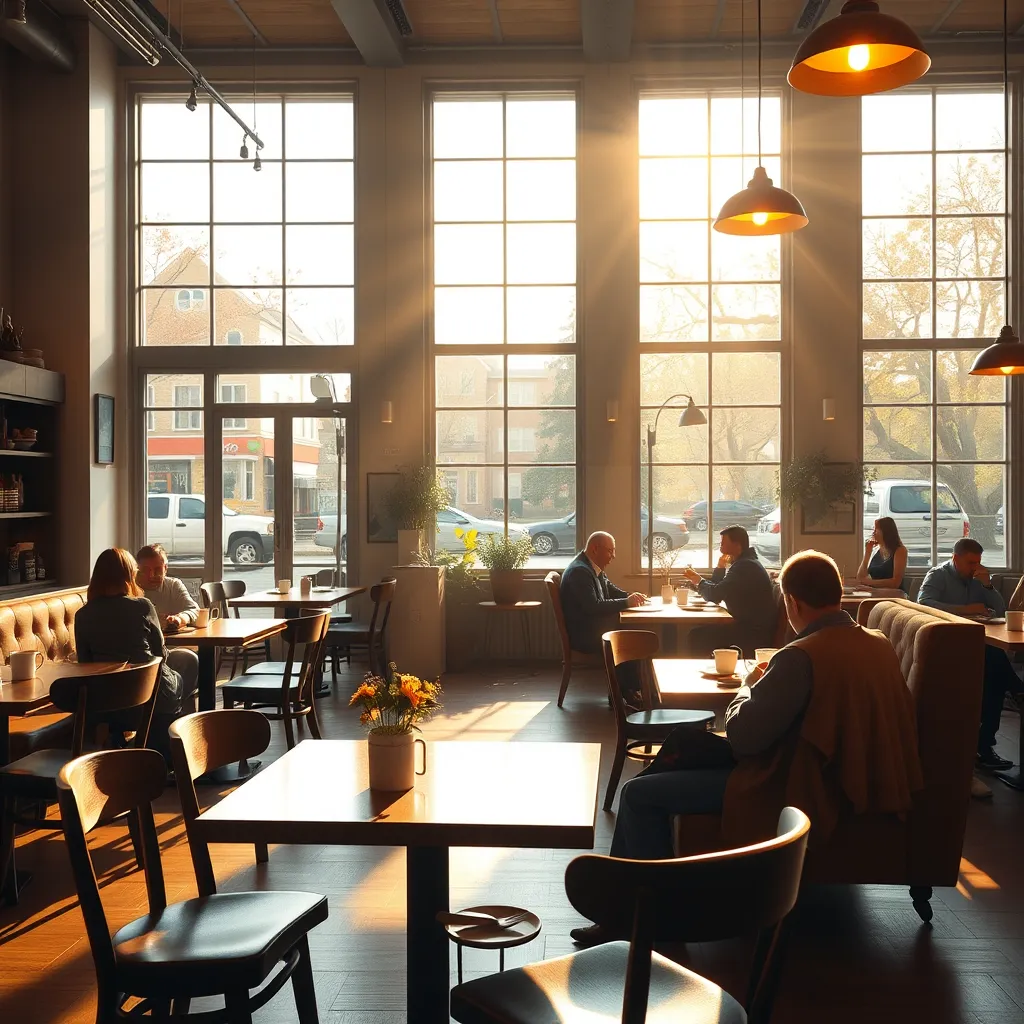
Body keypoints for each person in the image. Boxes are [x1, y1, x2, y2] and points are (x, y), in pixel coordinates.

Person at [571, 550, 922, 945]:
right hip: (845, 777)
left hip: (788, 784)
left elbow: (744, 737)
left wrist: (748, 687)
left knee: (638, 793)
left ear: (793, 602)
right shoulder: (876, 644)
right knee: (680, 756)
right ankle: (642, 906)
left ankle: (642, 916)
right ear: (838, 594)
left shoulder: (802, 657)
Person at [75, 548, 198, 763]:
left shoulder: (82, 615)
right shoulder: (142, 606)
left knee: (183, 664)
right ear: (129, 575)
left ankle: (157, 737)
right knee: (184, 670)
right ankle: (175, 741)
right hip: (147, 698)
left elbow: (84, 663)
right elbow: (161, 655)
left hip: (107, 704)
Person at [918, 538, 1021, 771]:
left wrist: (987, 586)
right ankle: (1016, 690)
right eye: (970, 562)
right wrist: (967, 610)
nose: (975, 567)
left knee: (994, 678)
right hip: (946, 646)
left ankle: (984, 747)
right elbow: (923, 604)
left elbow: (1001, 611)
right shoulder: (937, 575)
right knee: (994, 661)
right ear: (955, 559)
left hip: (976, 644)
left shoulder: (978, 579)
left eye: (978, 563)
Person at [680, 525, 776, 656]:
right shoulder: (746, 562)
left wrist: (698, 580)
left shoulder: (745, 566)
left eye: (723, 543)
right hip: (749, 627)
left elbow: (714, 595)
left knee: (696, 635)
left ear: (737, 545)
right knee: (697, 632)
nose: (720, 546)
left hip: (752, 633)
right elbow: (718, 588)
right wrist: (720, 567)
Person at [560, 532, 646, 655]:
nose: (614, 556)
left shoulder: (592, 567)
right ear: (595, 549)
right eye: (610, 551)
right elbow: (593, 606)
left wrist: (630, 596)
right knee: (636, 637)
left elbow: (611, 590)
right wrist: (627, 602)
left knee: (638, 632)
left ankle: (629, 672)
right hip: (587, 636)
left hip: (594, 628)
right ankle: (626, 673)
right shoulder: (579, 572)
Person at [136, 543, 200, 632]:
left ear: (165, 569)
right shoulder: (129, 588)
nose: (152, 575)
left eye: (157, 569)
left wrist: (180, 619)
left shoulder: (173, 585)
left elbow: (194, 610)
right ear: (137, 569)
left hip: (172, 644)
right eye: (146, 570)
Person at [856, 517, 908, 592]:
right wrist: (867, 553)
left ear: (885, 532)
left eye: (876, 530)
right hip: (875, 593)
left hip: (894, 595)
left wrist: (870, 583)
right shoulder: (876, 550)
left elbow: (895, 583)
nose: (873, 533)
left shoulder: (900, 550)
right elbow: (860, 577)